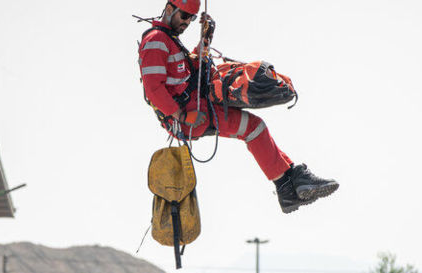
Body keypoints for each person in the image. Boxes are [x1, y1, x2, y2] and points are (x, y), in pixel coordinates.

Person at [138, 0, 339, 214]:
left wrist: (205, 40)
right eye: (185, 16)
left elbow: (194, 71)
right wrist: (182, 116)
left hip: (197, 109)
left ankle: (291, 184)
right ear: (169, 10)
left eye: (192, 18)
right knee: (253, 128)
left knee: (255, 127)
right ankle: (288, 188)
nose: (187, 22)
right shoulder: (156, 41)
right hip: (191, 116)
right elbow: (154, 90)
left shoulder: (170, 41)